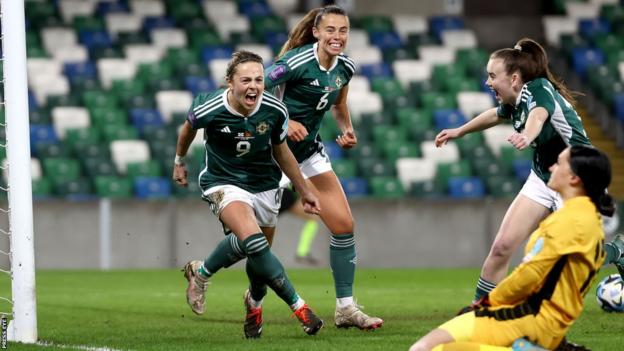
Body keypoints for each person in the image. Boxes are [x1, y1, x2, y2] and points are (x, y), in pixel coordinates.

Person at [433, 37, 624, 302]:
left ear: (513, 78)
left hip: (578, 180)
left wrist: (527, 134)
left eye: (492, 76)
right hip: (544, 176)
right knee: (501, 247)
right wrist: (459, 131)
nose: (488, 82)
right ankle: (479, 313)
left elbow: (539, 115)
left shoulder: (538, 88)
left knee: (573, 260)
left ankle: (616, 252)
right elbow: (495, 115)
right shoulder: (514, 99)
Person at [173, 50, 323, 338]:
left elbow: (282, 151)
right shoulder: (210, 106)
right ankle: (300, 308)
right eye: (245, 80)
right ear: (230, 82)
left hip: (265, 185)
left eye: (258, 79)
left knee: (257, 255)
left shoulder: (275, 110)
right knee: (255, 243)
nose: (253, 86)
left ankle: (237, 293)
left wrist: (304, 189)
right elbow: (188, 128)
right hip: (223, 182)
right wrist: (179, 160)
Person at [409, 145, 614, 351]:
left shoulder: (571, 222)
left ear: (574, 179)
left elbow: (529, 275)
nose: (551, 167)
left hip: (529, 321)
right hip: (541, 322)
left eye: (559, 163)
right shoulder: (587, 219)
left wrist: (488, 301)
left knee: (425, 349)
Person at [263, 4, 383, 330]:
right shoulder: (294, 62)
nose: (337, 37)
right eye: (330, 30)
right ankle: (209, 272)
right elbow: (252, 92)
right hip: (272, 153)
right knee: (256, 243)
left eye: (343, 31)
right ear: (316, 31)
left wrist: (346, 128)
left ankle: (345, 308)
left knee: (344, 225)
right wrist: (287, 123)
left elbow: (340, 104)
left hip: (310, 153)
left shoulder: (345, 67)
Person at [279, 187, 321, 265]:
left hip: (283, 194)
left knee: (312, 218)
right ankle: (302, 252)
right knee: (262, 224)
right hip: (272, 193)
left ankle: (302, 252)